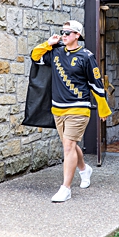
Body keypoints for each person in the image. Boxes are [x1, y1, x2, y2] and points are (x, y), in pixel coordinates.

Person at [30, 22, 99, 204]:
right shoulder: (56, 53)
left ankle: (65, 188)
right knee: (71, 145)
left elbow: (96, 83)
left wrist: (103, 108)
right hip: (58, 109)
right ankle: (84, 169)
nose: (64, 35)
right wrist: (48, 43)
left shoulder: (86, 56)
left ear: (77, 35)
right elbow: (35, 57)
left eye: (68, 32)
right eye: (62, 32)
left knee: (68, 146)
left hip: (79, 108)